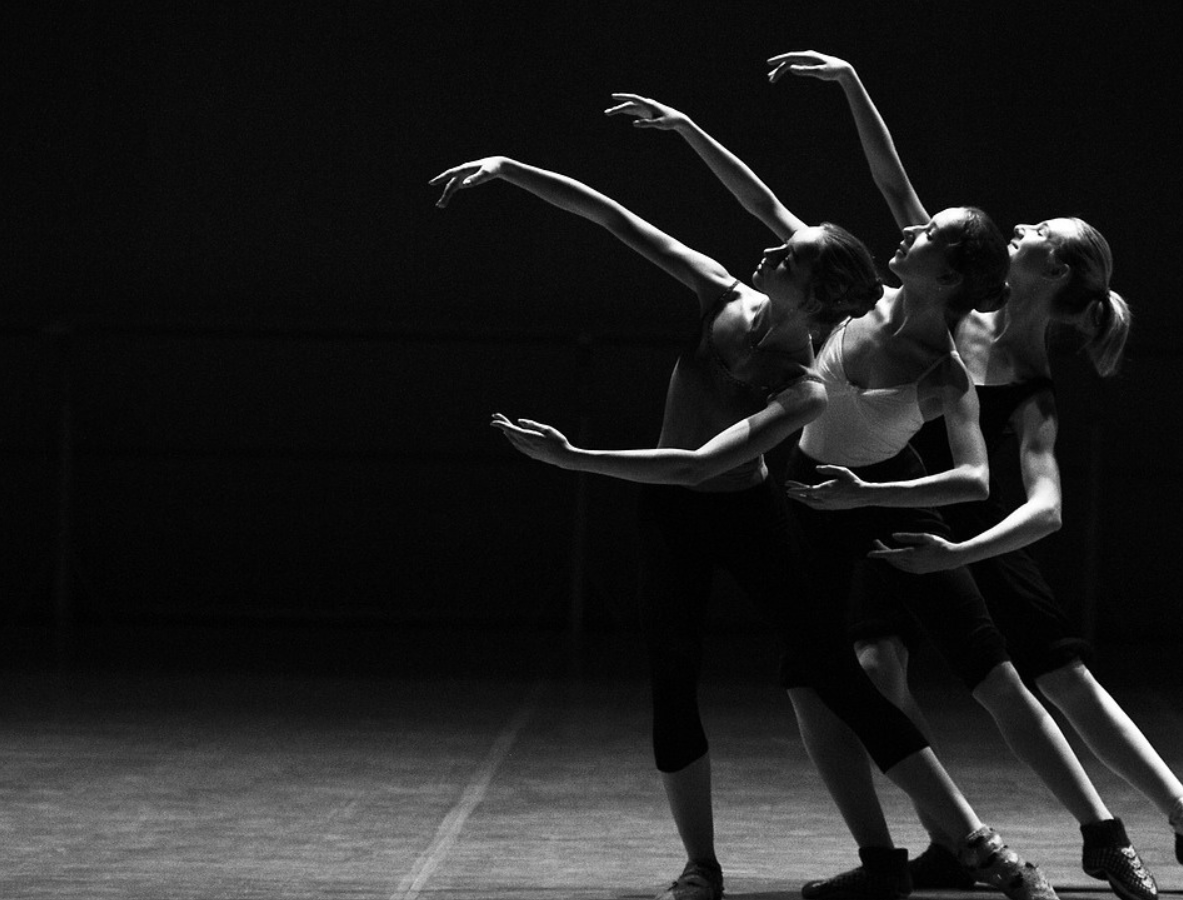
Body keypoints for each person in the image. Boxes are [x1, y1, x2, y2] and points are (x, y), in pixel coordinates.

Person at [431, 121, 1047, 900]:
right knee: (673, 675)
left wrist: (574, 459)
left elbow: (701, 463)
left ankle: (976, 844)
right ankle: (702, 865)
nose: (768, 252)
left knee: (834, 674)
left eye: (787, 257)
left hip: (748, 515)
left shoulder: (805, 384)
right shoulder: (720, 290)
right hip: (671, 519)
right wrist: (510, 166)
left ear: (814, 290)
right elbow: (618, 218)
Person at [766, 50, 1183, 900]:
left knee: (1057, 678)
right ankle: (949, 839)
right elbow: (895, 190)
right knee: (875, 663)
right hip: (903, 506)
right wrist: (853, 83)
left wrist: (960, 552)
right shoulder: (956, 310)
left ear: (1060, 271)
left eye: (1039, 234)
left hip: (978, 531)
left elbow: (1043, 511)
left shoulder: (1033, 390)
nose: (1021, 229)